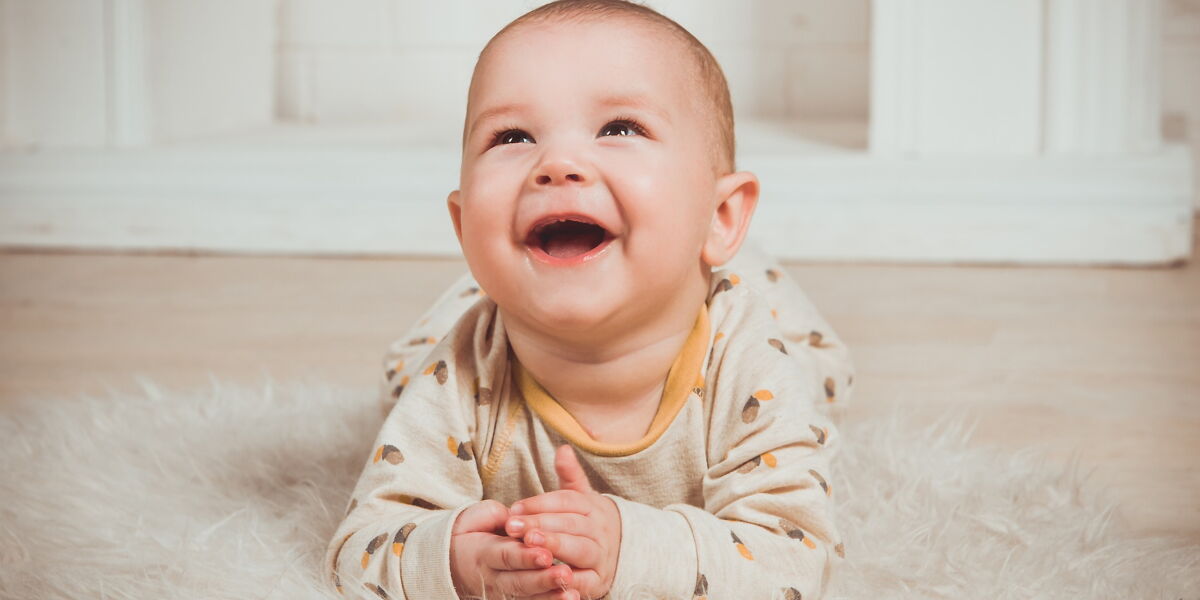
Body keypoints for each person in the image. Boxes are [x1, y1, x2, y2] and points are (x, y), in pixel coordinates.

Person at [325, 1, 854, 598]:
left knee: (821, 380)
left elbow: (794, 559)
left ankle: (717, 255)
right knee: (407, 369)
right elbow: (360, 548)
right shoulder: (464, 373)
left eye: (619, 129)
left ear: (720, 214)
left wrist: (631, 548)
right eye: (512, 136)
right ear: (462, 223)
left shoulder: (749, 363)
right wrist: (455, 560)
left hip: (749, 310)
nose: (557, 163)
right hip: (495, 300)